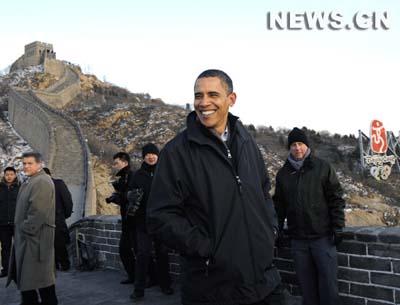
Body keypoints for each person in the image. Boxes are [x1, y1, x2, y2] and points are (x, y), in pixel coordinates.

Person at [147, 69, 287, 305]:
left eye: (213, 94)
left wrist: (269, 230)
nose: (203, 103)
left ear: (231, 99)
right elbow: (159, 216)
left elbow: (263, 191)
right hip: (212, 287)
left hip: (264, 281)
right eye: (198, 95)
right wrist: (208, 248)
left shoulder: (246, 140)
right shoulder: (177, 152)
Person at [273, 127, 345, 305]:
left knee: (329, 287)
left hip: (323, 239)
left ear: (307, 145)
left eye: (300, 144)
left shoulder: (323, 167)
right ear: (289, 148)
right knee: (307, 289)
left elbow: (336, 199)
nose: (297, 148)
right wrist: (277, 230)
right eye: (293, 145)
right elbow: (278, 207)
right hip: (298, 242)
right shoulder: (283, 175)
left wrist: (338, 226)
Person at [7, 152, 58, 305]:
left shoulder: (42, 181)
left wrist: (24, 229)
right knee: (32, 280)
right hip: (29, 239)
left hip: (35, 240)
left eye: (30, 163)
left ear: (39, 164)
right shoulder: (31, 181)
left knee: (40, 281)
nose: (26, 166)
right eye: (24, 163)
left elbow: (38, 212)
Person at [129, 143, 173, 301]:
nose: (151, 156)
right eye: (147, 154)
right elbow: (130, 195)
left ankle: (165, 284)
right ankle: (139, 289)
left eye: (153, 153)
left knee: (162, 253)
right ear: (143, 157)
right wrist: (130, 197)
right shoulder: (137, 175)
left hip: (161, 220)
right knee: (142, 254)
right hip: (143, 221)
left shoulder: (165, 173)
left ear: (157, 155)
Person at [107, 152, 136, 284]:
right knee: (125, 250)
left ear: (125, 163)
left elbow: (133, 197)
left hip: (134, 221)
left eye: (117, 163)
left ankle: (148, 277)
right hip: (127, 220)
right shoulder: (123, 177)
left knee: (136, 250)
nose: (115, 166)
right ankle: (133, 276)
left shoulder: (132, 176)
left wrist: (118, 197)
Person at [43, 167, 73, 271]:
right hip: (44, 221)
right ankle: (53, 265)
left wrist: (64, 215)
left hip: (57, 219)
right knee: (47, 244)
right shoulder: (38, 187)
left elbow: (67, 201)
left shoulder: (58, 184)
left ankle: (65, 264)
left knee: (59, 243)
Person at [0, 166, 19, 278]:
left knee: (18, 247)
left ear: (15, 175)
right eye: (7, 174)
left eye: (11, 174)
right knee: (5, 248)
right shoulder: (0, 188)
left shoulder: (20, 188)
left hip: (16, 223)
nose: (9, 176)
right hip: (2, 224)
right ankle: (6, 270)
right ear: (4, 175)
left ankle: (17, 270)